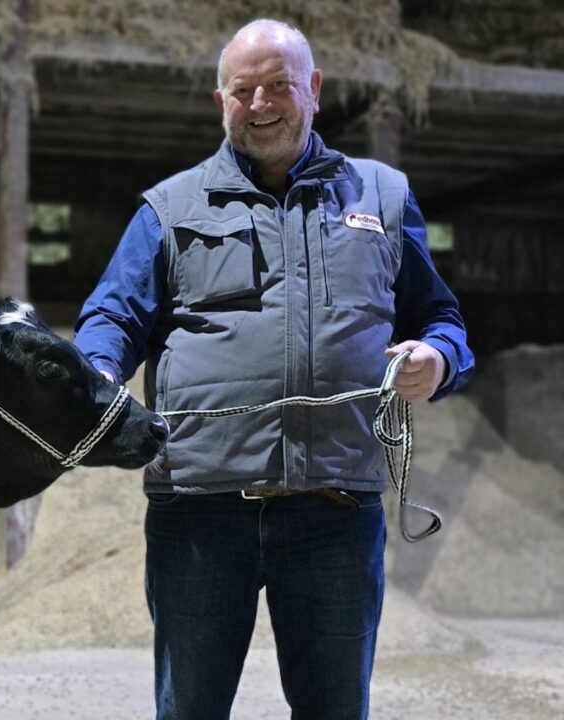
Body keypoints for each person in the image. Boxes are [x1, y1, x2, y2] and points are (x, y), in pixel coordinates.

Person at [73, 18, 475, 720]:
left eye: (278, 86)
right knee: (190, 709)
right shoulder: (169, 209)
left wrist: (437, 358)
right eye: (243, 90)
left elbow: (440, 319)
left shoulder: (379, 196)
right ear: (219, 100)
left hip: (334, 513)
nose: (261, 105)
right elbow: (111, 318)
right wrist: (98, 373)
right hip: (199, 510)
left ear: (313, 89)